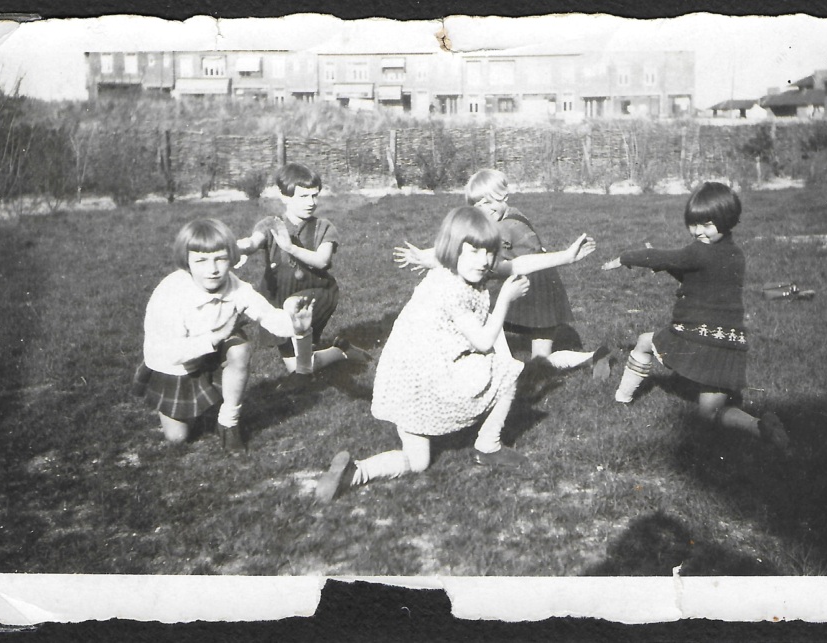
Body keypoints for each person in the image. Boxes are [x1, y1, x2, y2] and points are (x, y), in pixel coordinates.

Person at [316, 207, 585, 503]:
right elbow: (484, 343)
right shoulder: (452, 290)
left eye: (489, 252)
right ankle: (488, 446)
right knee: (507, 370)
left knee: (418, 462)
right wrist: (504, 300)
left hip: (404, 381)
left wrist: (566, 257)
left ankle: (355, 473)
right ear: (454, 249)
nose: (484, 261)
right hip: (430, 379)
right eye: (474, 251)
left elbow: (518, 262)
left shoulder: (458, 268)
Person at [602, 182, 789, 450]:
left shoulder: (698, 250)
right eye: (693, 223)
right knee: (710, 414)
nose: (698, 231)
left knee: (644, 343)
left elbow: (666, 258)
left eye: (707, 224)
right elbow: (698, 277)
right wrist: (666, 265)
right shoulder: (735, 253)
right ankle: (760, 428)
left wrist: (626, 257)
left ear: (726, 220)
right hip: (727, 343)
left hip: (692, 334)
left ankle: (621, 399)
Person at [133, 218, 313, 451]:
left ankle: (229, 422)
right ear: (186, 262)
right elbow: (170, 354)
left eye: (220, 258)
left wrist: (296, 327)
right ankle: (198, 403)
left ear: (232, 258)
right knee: (177, 438)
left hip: (217, 351)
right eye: (201, 260)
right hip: (176, 365)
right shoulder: (171, 294)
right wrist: (216, 336)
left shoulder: (236, 287)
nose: (213, 269)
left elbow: (268, 315)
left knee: (240, 348)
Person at [395, 169, 600, 369]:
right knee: (539, 360)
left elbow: (469, 251)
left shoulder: (504, 228)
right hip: (543, 281)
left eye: (488, 202)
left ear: (504, 197)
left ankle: (502, 366)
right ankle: (590, 358)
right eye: (477, 205)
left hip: (532, 287)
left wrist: (430, 257)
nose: (483, 209)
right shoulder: (512, 214)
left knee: (491, 322)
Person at [237, 162, 369, 391]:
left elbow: (322, 260)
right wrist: (240, 246)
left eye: (314, 196)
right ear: (285, 196)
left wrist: (290, 248)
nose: (311, 202)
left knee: (293, 308)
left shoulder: (324, 227)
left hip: (317, 292)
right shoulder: (271, 224)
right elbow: (254, 242)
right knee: (297, 366)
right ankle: (340, 351)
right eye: (303, 196)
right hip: (277, 297)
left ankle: (308, 367)